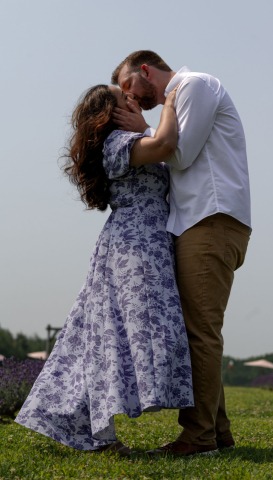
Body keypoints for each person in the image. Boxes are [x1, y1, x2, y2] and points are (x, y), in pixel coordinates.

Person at [15, 84, 194, 456]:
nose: (132, 99)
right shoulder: (116, 144)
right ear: (109, 114)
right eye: (123, 98)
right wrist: (171, 102)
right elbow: (164, 146)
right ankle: (96, 433)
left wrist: (143, 125)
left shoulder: (126, 139)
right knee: (110, 336)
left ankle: (90, 430)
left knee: (99, 335)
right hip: (134, 246)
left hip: (141, 242)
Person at [111, 51, 252, 457]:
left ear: (145, 70)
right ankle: (218, 433)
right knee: (198, 330)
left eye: (128, 88)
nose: (131, 99)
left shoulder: (193, 85)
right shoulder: (182, 96)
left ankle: (198, 438)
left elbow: (180, 152)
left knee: (200, 334)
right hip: (201, 221)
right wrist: (151, 128)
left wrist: (143, 128)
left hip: (210, 219)